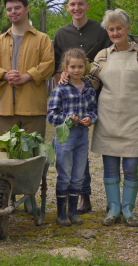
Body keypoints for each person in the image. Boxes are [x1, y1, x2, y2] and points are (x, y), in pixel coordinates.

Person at [87, 8, 138, 227]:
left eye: (119, 28)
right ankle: (113, 208)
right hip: (107, 117)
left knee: (130, 167)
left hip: (133, 117)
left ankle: (128, 209)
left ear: (128, 28)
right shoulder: (102, 56)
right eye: (111, 29)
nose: (115, 32)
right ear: (107, 31)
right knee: (109, 166)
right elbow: (90, 85)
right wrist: (70, 79)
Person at [52, 0, 112, 215]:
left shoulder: (101, 30)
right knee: (78, 148)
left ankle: (112, 196)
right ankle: (83, 195)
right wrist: (64, 80)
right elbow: (57, 69)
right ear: (67, 7)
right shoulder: (61, 34)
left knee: (108, 146)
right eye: (72, 4)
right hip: (73, 101)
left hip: (99, 95)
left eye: (80, 3)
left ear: (87, 5)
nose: (76, 8)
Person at [0, 0, 54, 138]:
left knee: (33, 154)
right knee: (4, 155)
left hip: (33, 108)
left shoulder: (43, 39)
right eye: (9, 9)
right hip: (5, 109)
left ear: (27, 9)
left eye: (17, 8)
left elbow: (49, 64)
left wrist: (27, 76)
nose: (13, 12)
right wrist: (5, 75)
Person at [47, 48, 98, 226]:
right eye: (73, 67)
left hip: (82, 137)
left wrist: (90, 119)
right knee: (65, 174)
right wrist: (68, 119)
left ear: (85, 67)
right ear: (66, 68)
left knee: (78, 175)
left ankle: (73, 211)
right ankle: (61, 213)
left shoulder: (89, 89)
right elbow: (52, 116)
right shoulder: (60, 90)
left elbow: (94, 111)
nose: (76, 70)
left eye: (80, 66)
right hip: (66, 136)